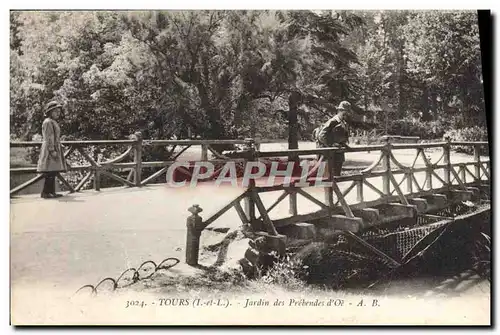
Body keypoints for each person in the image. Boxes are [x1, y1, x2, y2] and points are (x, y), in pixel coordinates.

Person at [314, 101, 357, 177]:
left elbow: (340, 138)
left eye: (348, 112)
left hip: (338, 156)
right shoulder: (333, 121)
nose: (347, 114)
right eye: (345, 111)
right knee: (329, 179)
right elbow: (321, 136)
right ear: (339, 111)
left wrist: (345, 145)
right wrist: (332, 144)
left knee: (337, 177)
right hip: (329, 155)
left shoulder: (343, 123)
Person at [36, 101, 68, 198]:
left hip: (55, 147)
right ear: (50, 112)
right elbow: (49, 137)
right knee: (49, 171)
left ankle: (51, 192)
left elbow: (55, 137)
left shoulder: (53, 122)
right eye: (55, 111)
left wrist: (59, 145)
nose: (58, 113)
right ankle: (45, 192)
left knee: (53, 171)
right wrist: (52, 150)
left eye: (59, 111)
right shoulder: (48, 122)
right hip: (50, 149)